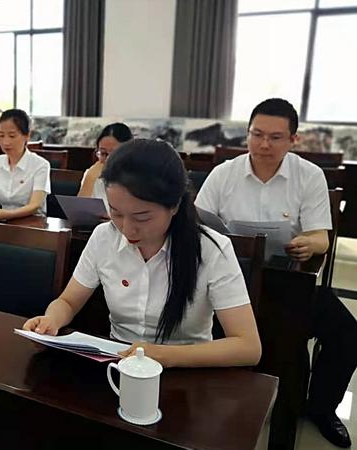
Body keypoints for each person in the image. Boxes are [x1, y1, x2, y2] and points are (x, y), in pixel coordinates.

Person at [196, 98, 357, 448]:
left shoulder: (308, 175)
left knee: (347, 332)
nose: (264, 144)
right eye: (257, 134)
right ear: (247, 134)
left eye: (275, 137)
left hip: (288, 279)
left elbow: (321, 237)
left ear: (293, 140)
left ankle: (321, 408)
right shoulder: (224, 173)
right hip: (230, 279)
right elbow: (197, 225)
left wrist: (308, 244)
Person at [23, 138, 262, 368]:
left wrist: (164, 355)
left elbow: (248, 347)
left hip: (187, 374)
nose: (127, 229)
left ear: (174, 206)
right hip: (116, 365)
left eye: (142, 217)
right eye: (116, 213)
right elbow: (68, 301)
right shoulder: (103, 237)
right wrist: (51, 321)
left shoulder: (211, 249)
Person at [0, 109, 51, 221]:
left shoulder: (41, 165)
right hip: (3, 221)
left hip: (33, 223)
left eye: (12, 136)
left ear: (27, 136)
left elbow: (35, 205)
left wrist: (8, 214)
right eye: (1, 135)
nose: (6, 142)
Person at [78, 122, 133, 211]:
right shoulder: (92, 173)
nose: (108, 160)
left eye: (114, 154)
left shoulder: (139, 178)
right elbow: (79, 213)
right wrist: (89, 179)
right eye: (103, 153)